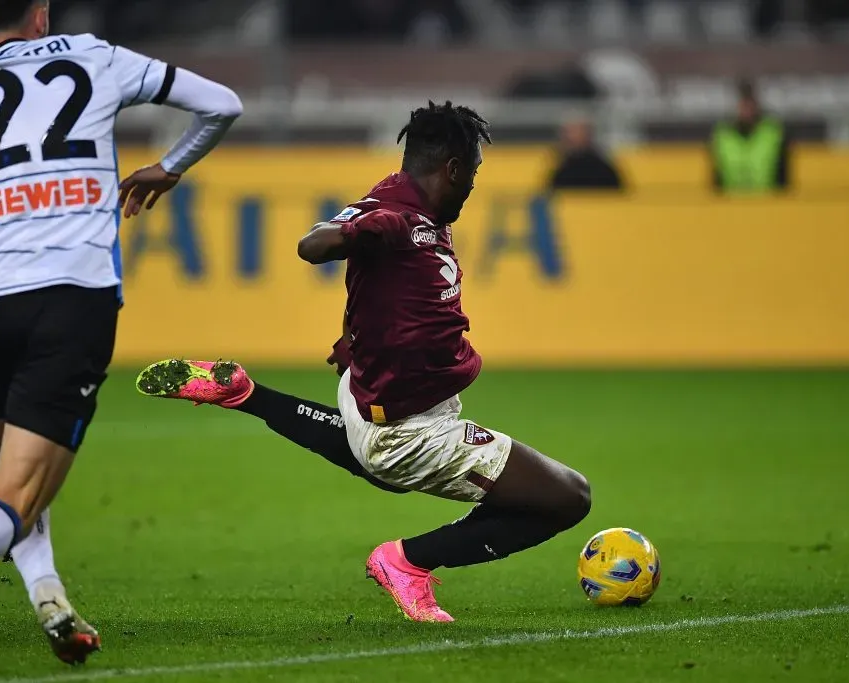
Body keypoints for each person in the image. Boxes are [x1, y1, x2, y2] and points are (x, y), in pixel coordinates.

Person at [135, 101, 592, 623]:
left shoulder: (404, 198)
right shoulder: (397, 218)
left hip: (363, 394)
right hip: (409, 429)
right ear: (455, 169)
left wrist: (356, 331)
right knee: (567, 498)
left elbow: (384, 277)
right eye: (474, 174)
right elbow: (316, 245)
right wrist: (358, 235)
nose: (473, 186)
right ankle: (409, 561)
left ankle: (245, 393)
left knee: (384, 464)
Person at [0, 0, 242, 665]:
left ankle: (47, 590)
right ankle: (42, 584)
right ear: (41, 14)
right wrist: (171, 166)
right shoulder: (97, 55)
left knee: (7, 472)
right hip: (72, 297)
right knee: (12, 502)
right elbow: (222, 103)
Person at [710, 80, 790, 194]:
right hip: (729, 206)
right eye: (743, 103)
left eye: (749, 103)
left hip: (768, 205)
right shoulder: (722, 134)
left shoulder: (773, 132)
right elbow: (715, 178)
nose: (746, 109)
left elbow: (784, 176)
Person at [547, 116, 625, 192]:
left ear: (588, 135)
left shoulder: (601, 169)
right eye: (566, 132)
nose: (566, 137)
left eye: (574, 132)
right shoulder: (561, 167)